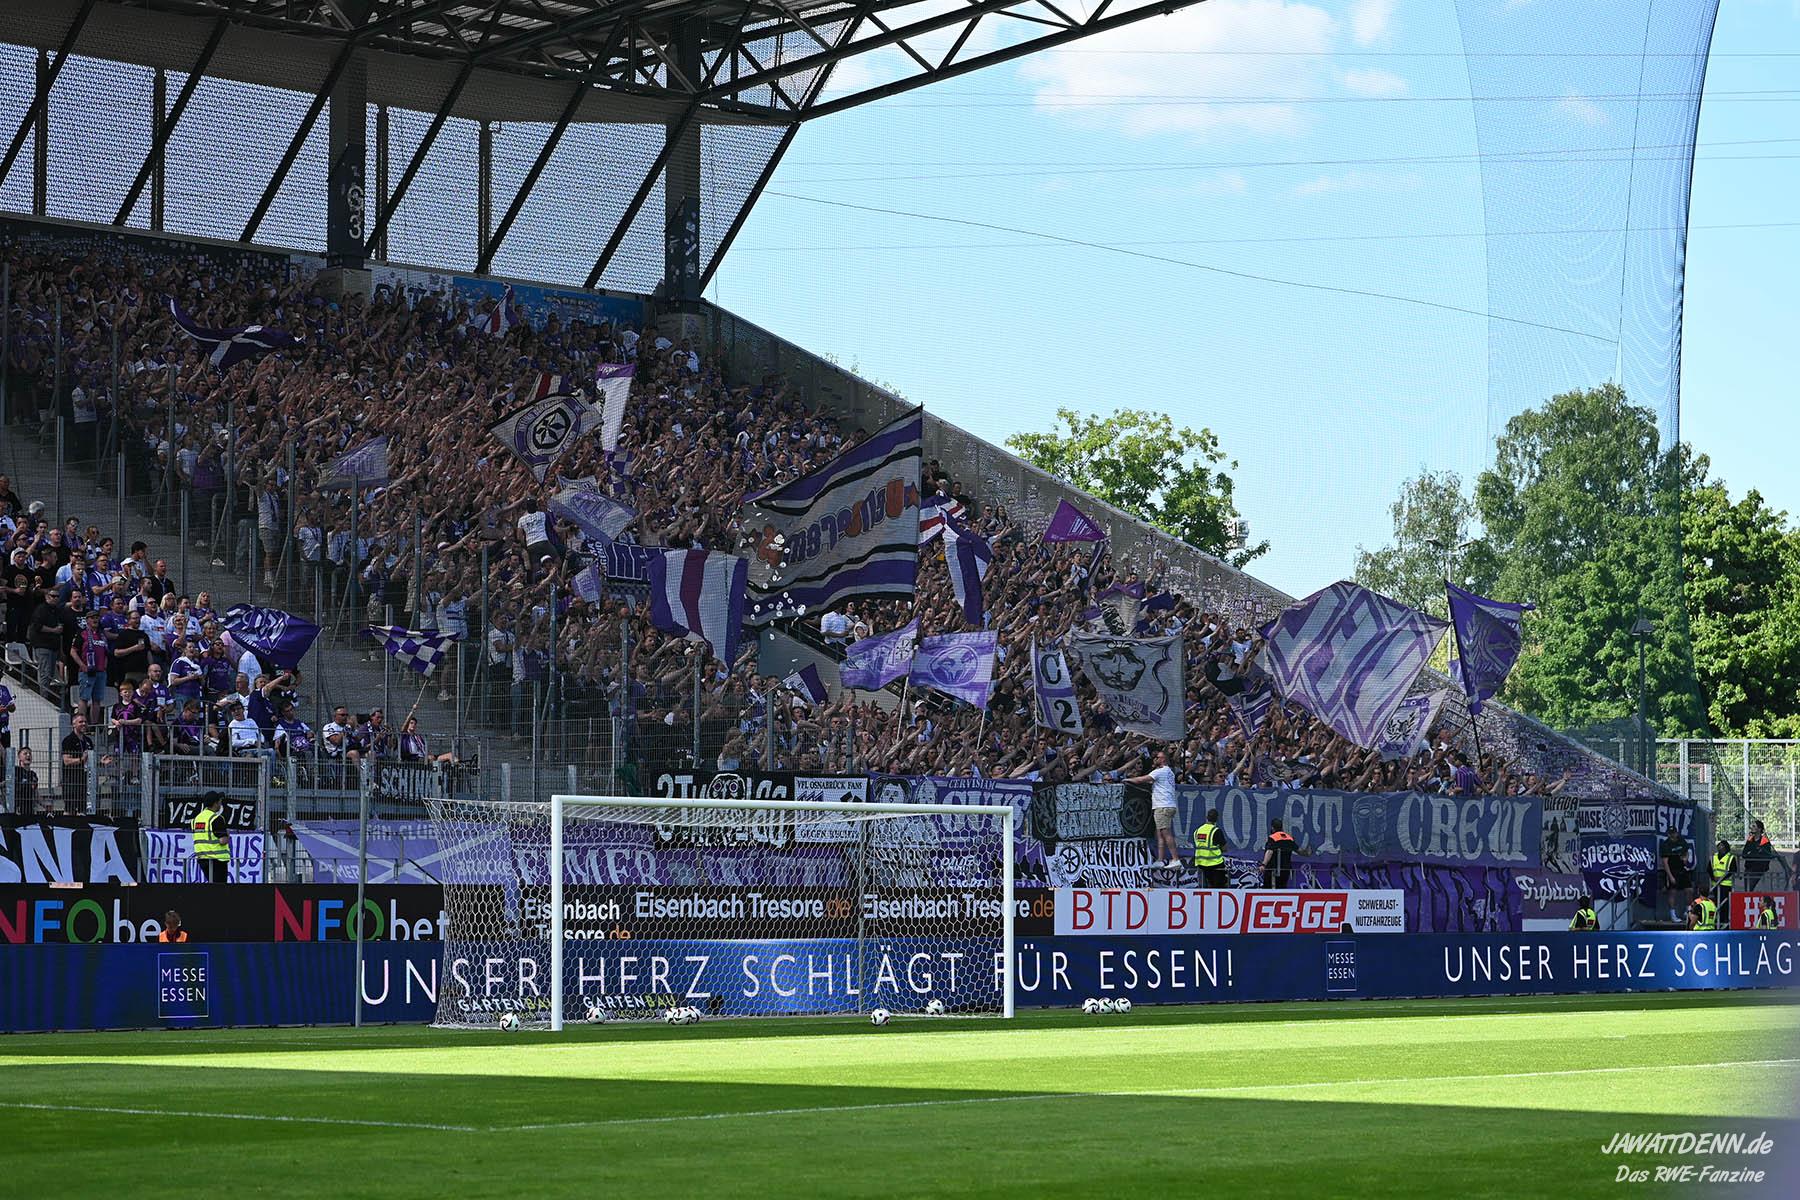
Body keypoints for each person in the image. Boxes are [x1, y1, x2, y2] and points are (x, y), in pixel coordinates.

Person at [1125, 749, 1181, 869]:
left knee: (1166, 833)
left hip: (1163, 806)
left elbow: (1141, 780)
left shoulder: (1160, 771)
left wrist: (1127, 780)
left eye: (1157, 758)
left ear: (1162, 759)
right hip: (1164, 805)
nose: (1155, 760)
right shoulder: (1169, 772)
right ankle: (1160, 860)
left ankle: (1175, 859)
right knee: (1159, 833)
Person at [189, 796, 230, 884]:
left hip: (203, 859)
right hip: (217, 860)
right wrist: (227, 834)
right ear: (215, 803)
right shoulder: (216, 819)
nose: (220, 804)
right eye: (220, 802)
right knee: (220, 888)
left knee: (211, 886)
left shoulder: (196, 819)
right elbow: (223, 841)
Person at [1660, 824, 1692, 923]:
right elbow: (1665, 862)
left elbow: (1687, 851)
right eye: (1670, 833)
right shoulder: (1666, 844)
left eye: (1674, 833)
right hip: (1672, 870)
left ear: (1677, 832)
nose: (1673, 835)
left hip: (1682, 869)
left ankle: (1687, 911)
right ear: (1668, 834)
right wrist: (1670, 876)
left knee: (1689, 890)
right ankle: (1673, 915)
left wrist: (1686, 858)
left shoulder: (1681, 840)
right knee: (1673, 893)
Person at [1193, 806, 1228, 888]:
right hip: (1215, 864)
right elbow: (1224, 848)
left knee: (1203, 889)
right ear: (1217, 819)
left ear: (1206, 817)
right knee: (1219, 888)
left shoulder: (1197, 831)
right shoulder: (1216, 831)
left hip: (1201, 864)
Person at [1260, 818, 1298, 888]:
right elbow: (1299, 851)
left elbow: (1270, 851)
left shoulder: (1273, 837)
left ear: (1272, 827)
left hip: (1273, 870)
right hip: (1285, 870)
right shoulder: (1289, 838)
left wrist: (1263, 864)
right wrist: (1308, 853)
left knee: (1268, 889)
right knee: (1282, 889)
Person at [1742, 821, 1774, 894]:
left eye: (1754, 826)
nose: (1751, 827)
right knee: (1747, 890)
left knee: (1750, 888)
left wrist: (1751, 853)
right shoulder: (1750, 839)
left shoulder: (1764, 841)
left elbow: (1767, 855)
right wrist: (1755, 852)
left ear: (1759, 829)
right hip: (1748, 868)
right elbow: (1744, 854)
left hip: (1759, 869)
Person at [1707, 839, 1736, 913]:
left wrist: (1721, 878)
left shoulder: (1731, 857)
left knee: (1725, 903)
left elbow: (1732, 870)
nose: (1720, 847)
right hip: (1715, 884)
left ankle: (1725, 919)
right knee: (1717, 902)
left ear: (1726, 847)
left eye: (1722, 845)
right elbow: (1709, 869)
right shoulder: (1714, 857)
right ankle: (1718, 917)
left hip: (1726, 884)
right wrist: (1714, 878)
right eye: (1719, 845)